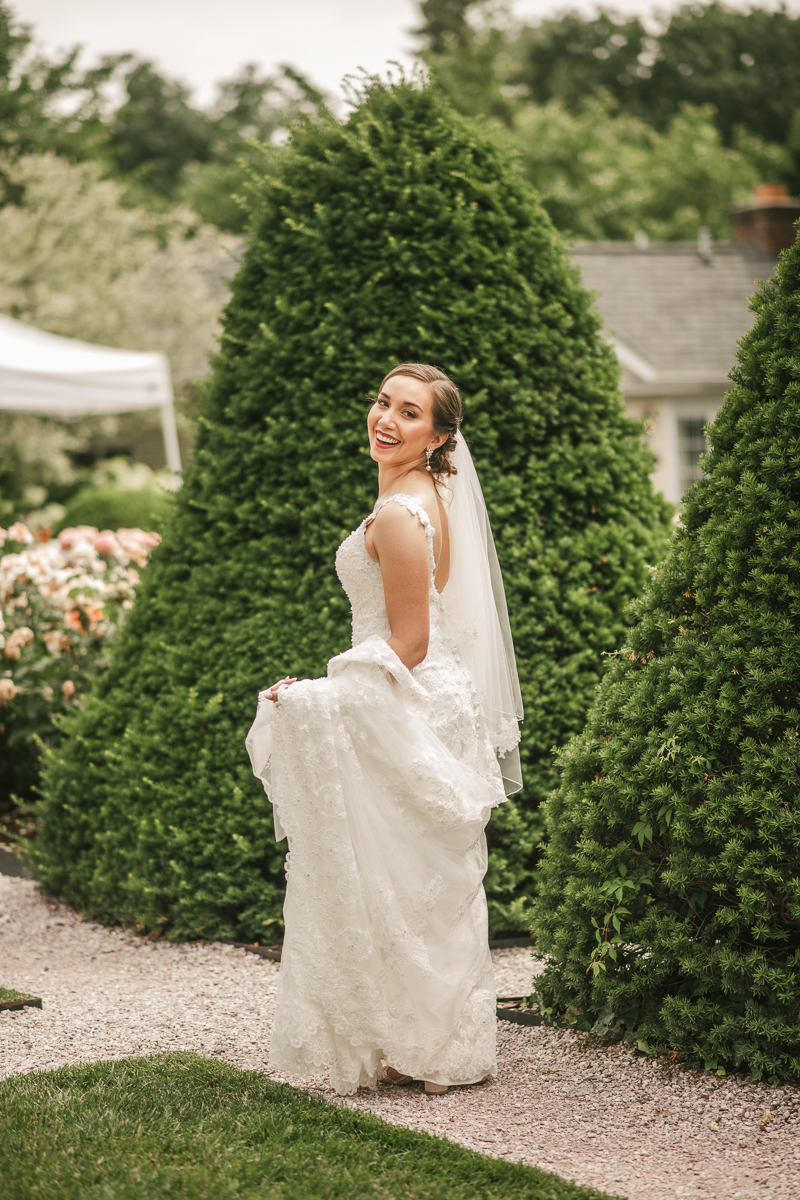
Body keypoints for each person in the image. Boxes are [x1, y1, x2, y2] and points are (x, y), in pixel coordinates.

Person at [246, 362, 523, 1096]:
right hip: (424, 696)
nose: (386, 420)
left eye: (408, 412)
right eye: (382, 402)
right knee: (414, 882)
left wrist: (317, 691)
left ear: (437, 437)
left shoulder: (402, 513)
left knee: (410, 881)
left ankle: (434, 1051)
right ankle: (425, 1045)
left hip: (408, 699)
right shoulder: (424, 495)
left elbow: (409, 641)